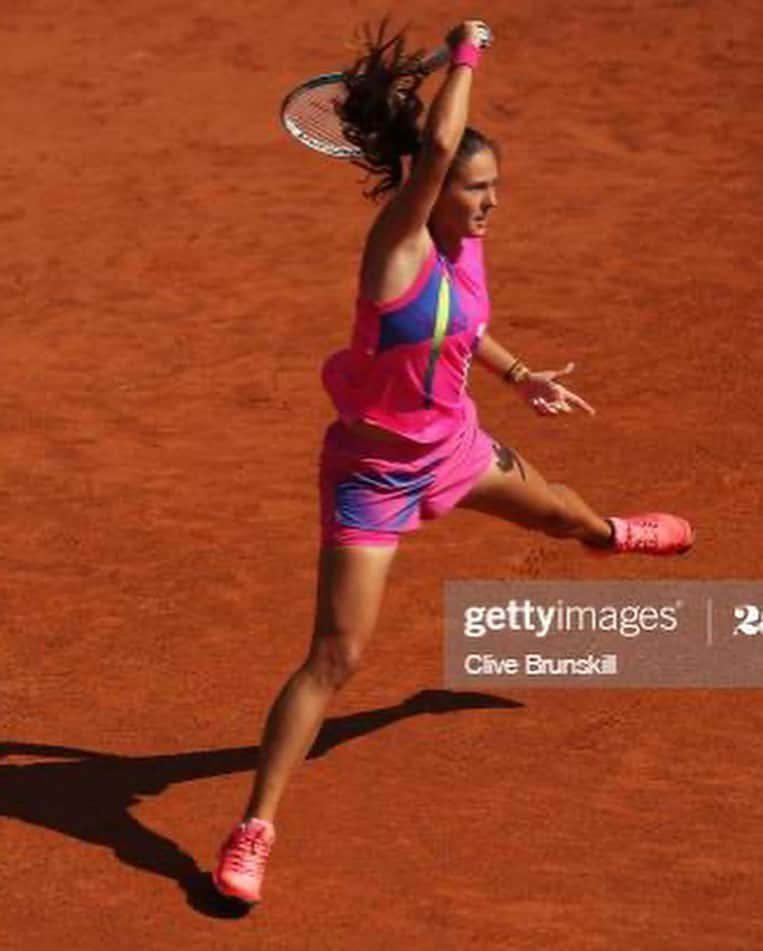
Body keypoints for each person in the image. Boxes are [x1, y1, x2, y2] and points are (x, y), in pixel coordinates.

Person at [211, 20, 694, 904]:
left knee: (563, 517)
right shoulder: (394, 249)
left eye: (494, 187)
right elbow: (435, 142)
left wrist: (519, 377)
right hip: (371, 476)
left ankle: (610, 532)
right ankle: (254, 828)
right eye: (474, 189)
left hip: (456, 448)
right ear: (428, 192)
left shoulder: (463, 247)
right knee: (335, 656)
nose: (489, 204)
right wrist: (466, 51)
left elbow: (463, 326)